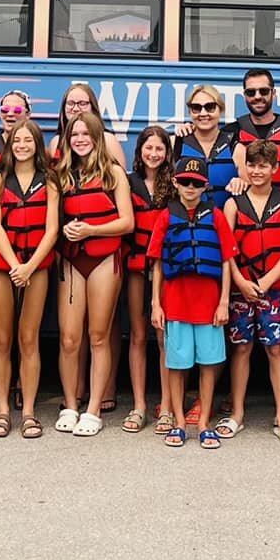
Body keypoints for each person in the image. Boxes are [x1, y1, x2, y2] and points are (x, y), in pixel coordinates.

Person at [53, 110, 132, 435]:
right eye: (75, 135)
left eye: (86, 134)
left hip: (104, 259)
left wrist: (90, 231)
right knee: (70, 339)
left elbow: (127, 222)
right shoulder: (60, 174)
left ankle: (93, 408)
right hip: (71, 261)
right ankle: (71, 404)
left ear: (97, 137)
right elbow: (49, 220)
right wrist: (66, 230)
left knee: (98, 336)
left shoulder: (113, 173)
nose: (80, 139)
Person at [149, 163, 238, 450]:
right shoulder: (166, 217)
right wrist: (155, 304)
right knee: (177, 364)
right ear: (175, 183)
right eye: (185, 182)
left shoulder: (216, 216)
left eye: (196, 183)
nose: (190, 188)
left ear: (205, 187)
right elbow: (158, 264)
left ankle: (203, 424)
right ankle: (177, 421)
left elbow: (226, 261)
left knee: (209, 363)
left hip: (209, 303)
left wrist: (224, 301)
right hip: (175, 302)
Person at [223, 139, 280, 445]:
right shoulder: (233, 203)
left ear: (274, 168)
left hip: (272, 290)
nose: (257, 171)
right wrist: (241, 283)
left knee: (276, 349)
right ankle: (237, 414)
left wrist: (267, 282)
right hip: (241, 289)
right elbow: (227, 250)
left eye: (263, 166)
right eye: (252, 165)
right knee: (241, 349)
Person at [0, 118, 59, 438]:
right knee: (2, 340)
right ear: (10, 145)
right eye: (17, 141)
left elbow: (53, 228)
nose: (22, 145)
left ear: (37, 145)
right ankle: (3, 412)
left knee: (29, 338)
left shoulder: (51, 180)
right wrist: (16, 264)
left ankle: (28, 411)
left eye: (28, 140)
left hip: (37, 266)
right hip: (6, 266)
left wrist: (30, 267)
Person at [117, 124, 173, 434]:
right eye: (148, 148)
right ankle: (139, 405)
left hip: (164, 269)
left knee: (164, 337)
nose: (153, 154)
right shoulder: (128, 183)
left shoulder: (174, 186)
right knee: (138, 336)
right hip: (136, 266)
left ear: (167, 153)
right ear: (139, 151)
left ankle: (166, 405)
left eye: (159, 149)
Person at [232, 68, 280, 187]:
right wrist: (192, 129)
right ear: (244, 95)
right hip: (245, 204)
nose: (257, 97)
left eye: (264, 91)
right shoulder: (230, 133)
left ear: (273, 93)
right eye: (251, 92)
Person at [175, 83, 238, 204]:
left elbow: (251, 188)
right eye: (196, 108)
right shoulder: (176, 142)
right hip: (187, 220)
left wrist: (241, 183)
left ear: (221, 109)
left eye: (210, 107)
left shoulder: (235, 146)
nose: (203, 113)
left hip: (225, 219)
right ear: (190, 112)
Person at [54, 80, 128, 171]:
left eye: (82, 103)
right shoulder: (56, 142)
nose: (76, 108)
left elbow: (121, 179)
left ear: (93, 107)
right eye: (70, 103)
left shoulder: (107, 139)